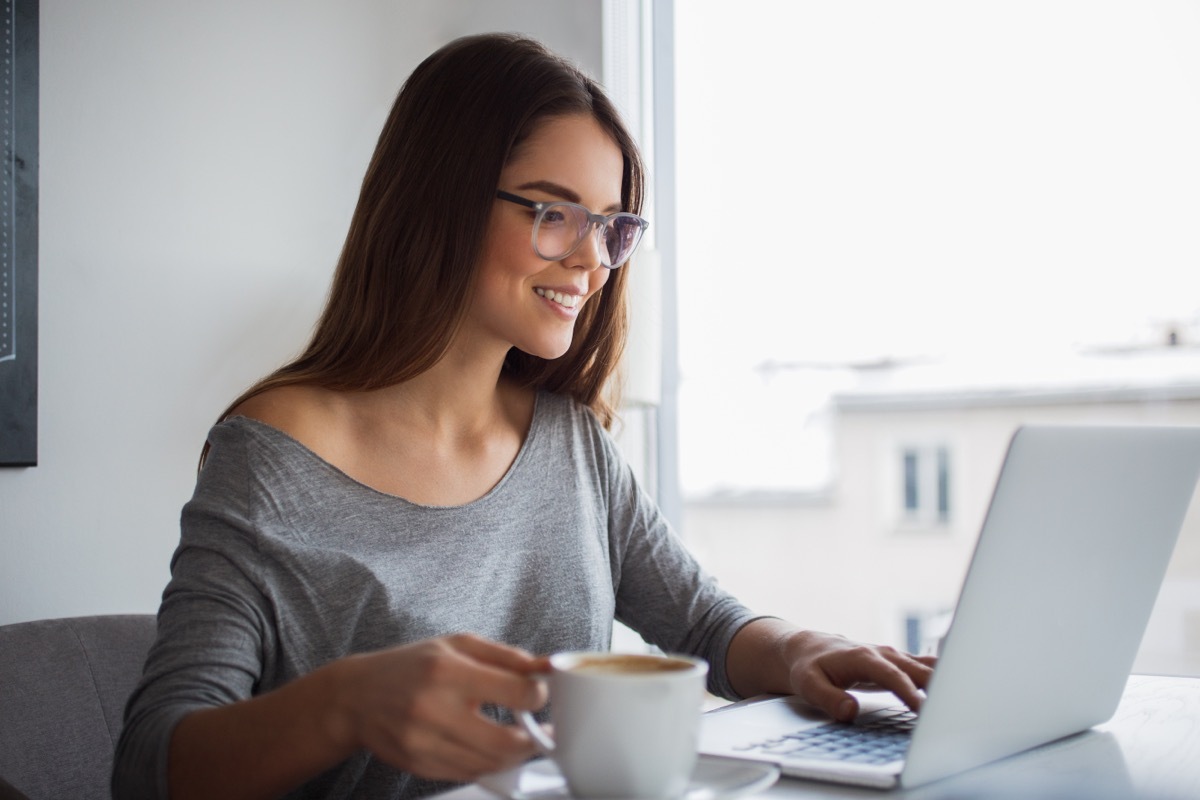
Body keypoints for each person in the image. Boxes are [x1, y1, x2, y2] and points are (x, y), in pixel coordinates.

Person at [112, 32, 935, 800]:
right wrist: (346, 705)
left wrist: (800, 651)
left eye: (610, 225)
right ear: (441, 202)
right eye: (552, 212)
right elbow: (152, 760)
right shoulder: (272, 457)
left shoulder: (570, 443)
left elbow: (706, 623)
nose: (589, 258)